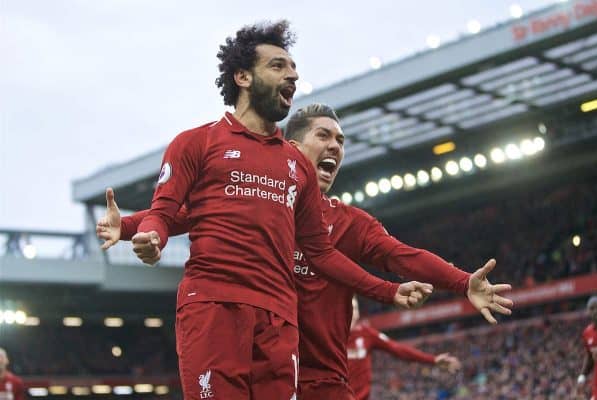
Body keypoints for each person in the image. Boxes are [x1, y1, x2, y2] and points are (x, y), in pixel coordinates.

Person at [99, 21, 429, 400]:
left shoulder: (297, 165)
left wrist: (388, 290)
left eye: (293, 68)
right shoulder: (196, 143)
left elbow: (321, 252)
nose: (292, 74)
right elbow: (165, 210)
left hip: (279, 319)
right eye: (277, 65)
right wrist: (147, 236)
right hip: (214, 307)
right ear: (242, 76)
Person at [99, 104, 513, 399]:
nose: (335, 146)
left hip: (321, 381)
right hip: (252, 359)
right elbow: (177, 215)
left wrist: (461, 283)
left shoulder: (349, 223)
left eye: (341, 140)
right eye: (324, 135)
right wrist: (129, 228)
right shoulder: (257, 196)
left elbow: (400, 255)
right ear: (291, 148)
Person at [347, 298, 460, 400]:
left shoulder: (366, 334)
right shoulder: (330, 337)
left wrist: (432, 359)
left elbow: (398, 349)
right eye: (348, 307)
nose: (352, 312)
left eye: (355, 308)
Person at [578, 296, 597, 400]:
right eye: (592, 308)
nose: (595, 311)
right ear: (588, 311)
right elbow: (589, 356)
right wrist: (582, 377)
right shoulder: (587, 332)